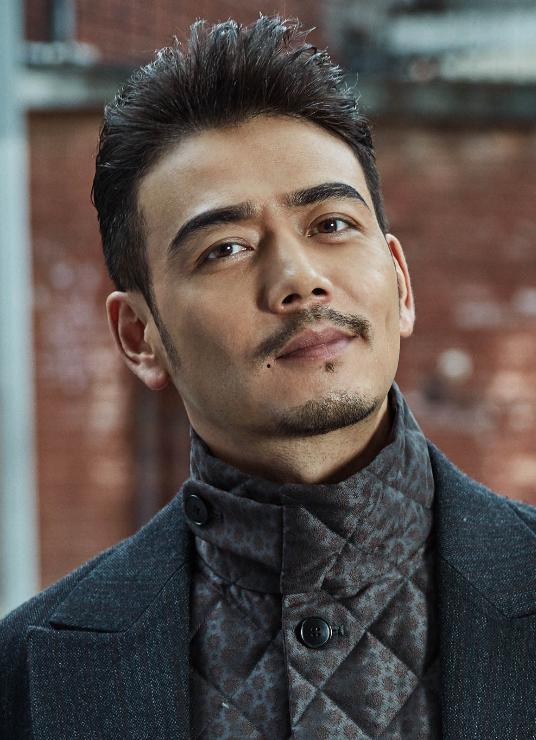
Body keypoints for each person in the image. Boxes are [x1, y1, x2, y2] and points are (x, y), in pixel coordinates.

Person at [1, 15, 535, 740]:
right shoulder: (26, 676)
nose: (298, 278)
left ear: (401, 283)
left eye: (331, 224)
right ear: (139, 336)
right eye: (225, 248)